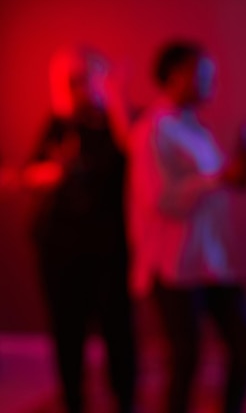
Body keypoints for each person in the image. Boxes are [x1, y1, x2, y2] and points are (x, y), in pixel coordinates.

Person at [127, 40, 246, 413]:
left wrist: (237, 169)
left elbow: (217, 183)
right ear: (174, 75)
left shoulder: (194, 128)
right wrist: (220, 177)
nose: (211, 81)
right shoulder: (153, 130)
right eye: (202, 73)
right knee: (186, 359)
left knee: (245, 343)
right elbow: (162, 198)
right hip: (173, 263)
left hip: (210, 262)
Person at [25, 45, 136, 413]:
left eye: (83, 78)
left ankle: (124, 399)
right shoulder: (59, 125)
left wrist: (115, 102)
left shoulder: (123, 124)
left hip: (109, 247)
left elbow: (135, 160)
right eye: (70, 81)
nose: (77, 88)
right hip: (60, 247)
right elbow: (33, 170)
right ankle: (73, 399)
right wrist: (50, 174)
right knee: (67, 330)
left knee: (117, 328)